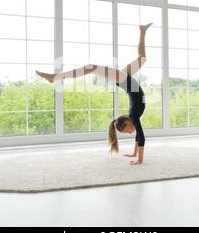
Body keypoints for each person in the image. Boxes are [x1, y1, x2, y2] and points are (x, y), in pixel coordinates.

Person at [36, 23, 153, 165]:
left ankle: (142, 30)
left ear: (127, 122)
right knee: (94, 67)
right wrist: (138, 159)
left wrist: (136, 155)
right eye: (128, 132)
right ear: (128, 122)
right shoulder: (134, 116)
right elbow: (141, 136)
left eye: (127, 131)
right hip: (126, 81)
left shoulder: (134, 116)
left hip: (126, 81)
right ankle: (54, 77)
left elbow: (139, 135)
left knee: (139, 59)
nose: (130, 133)